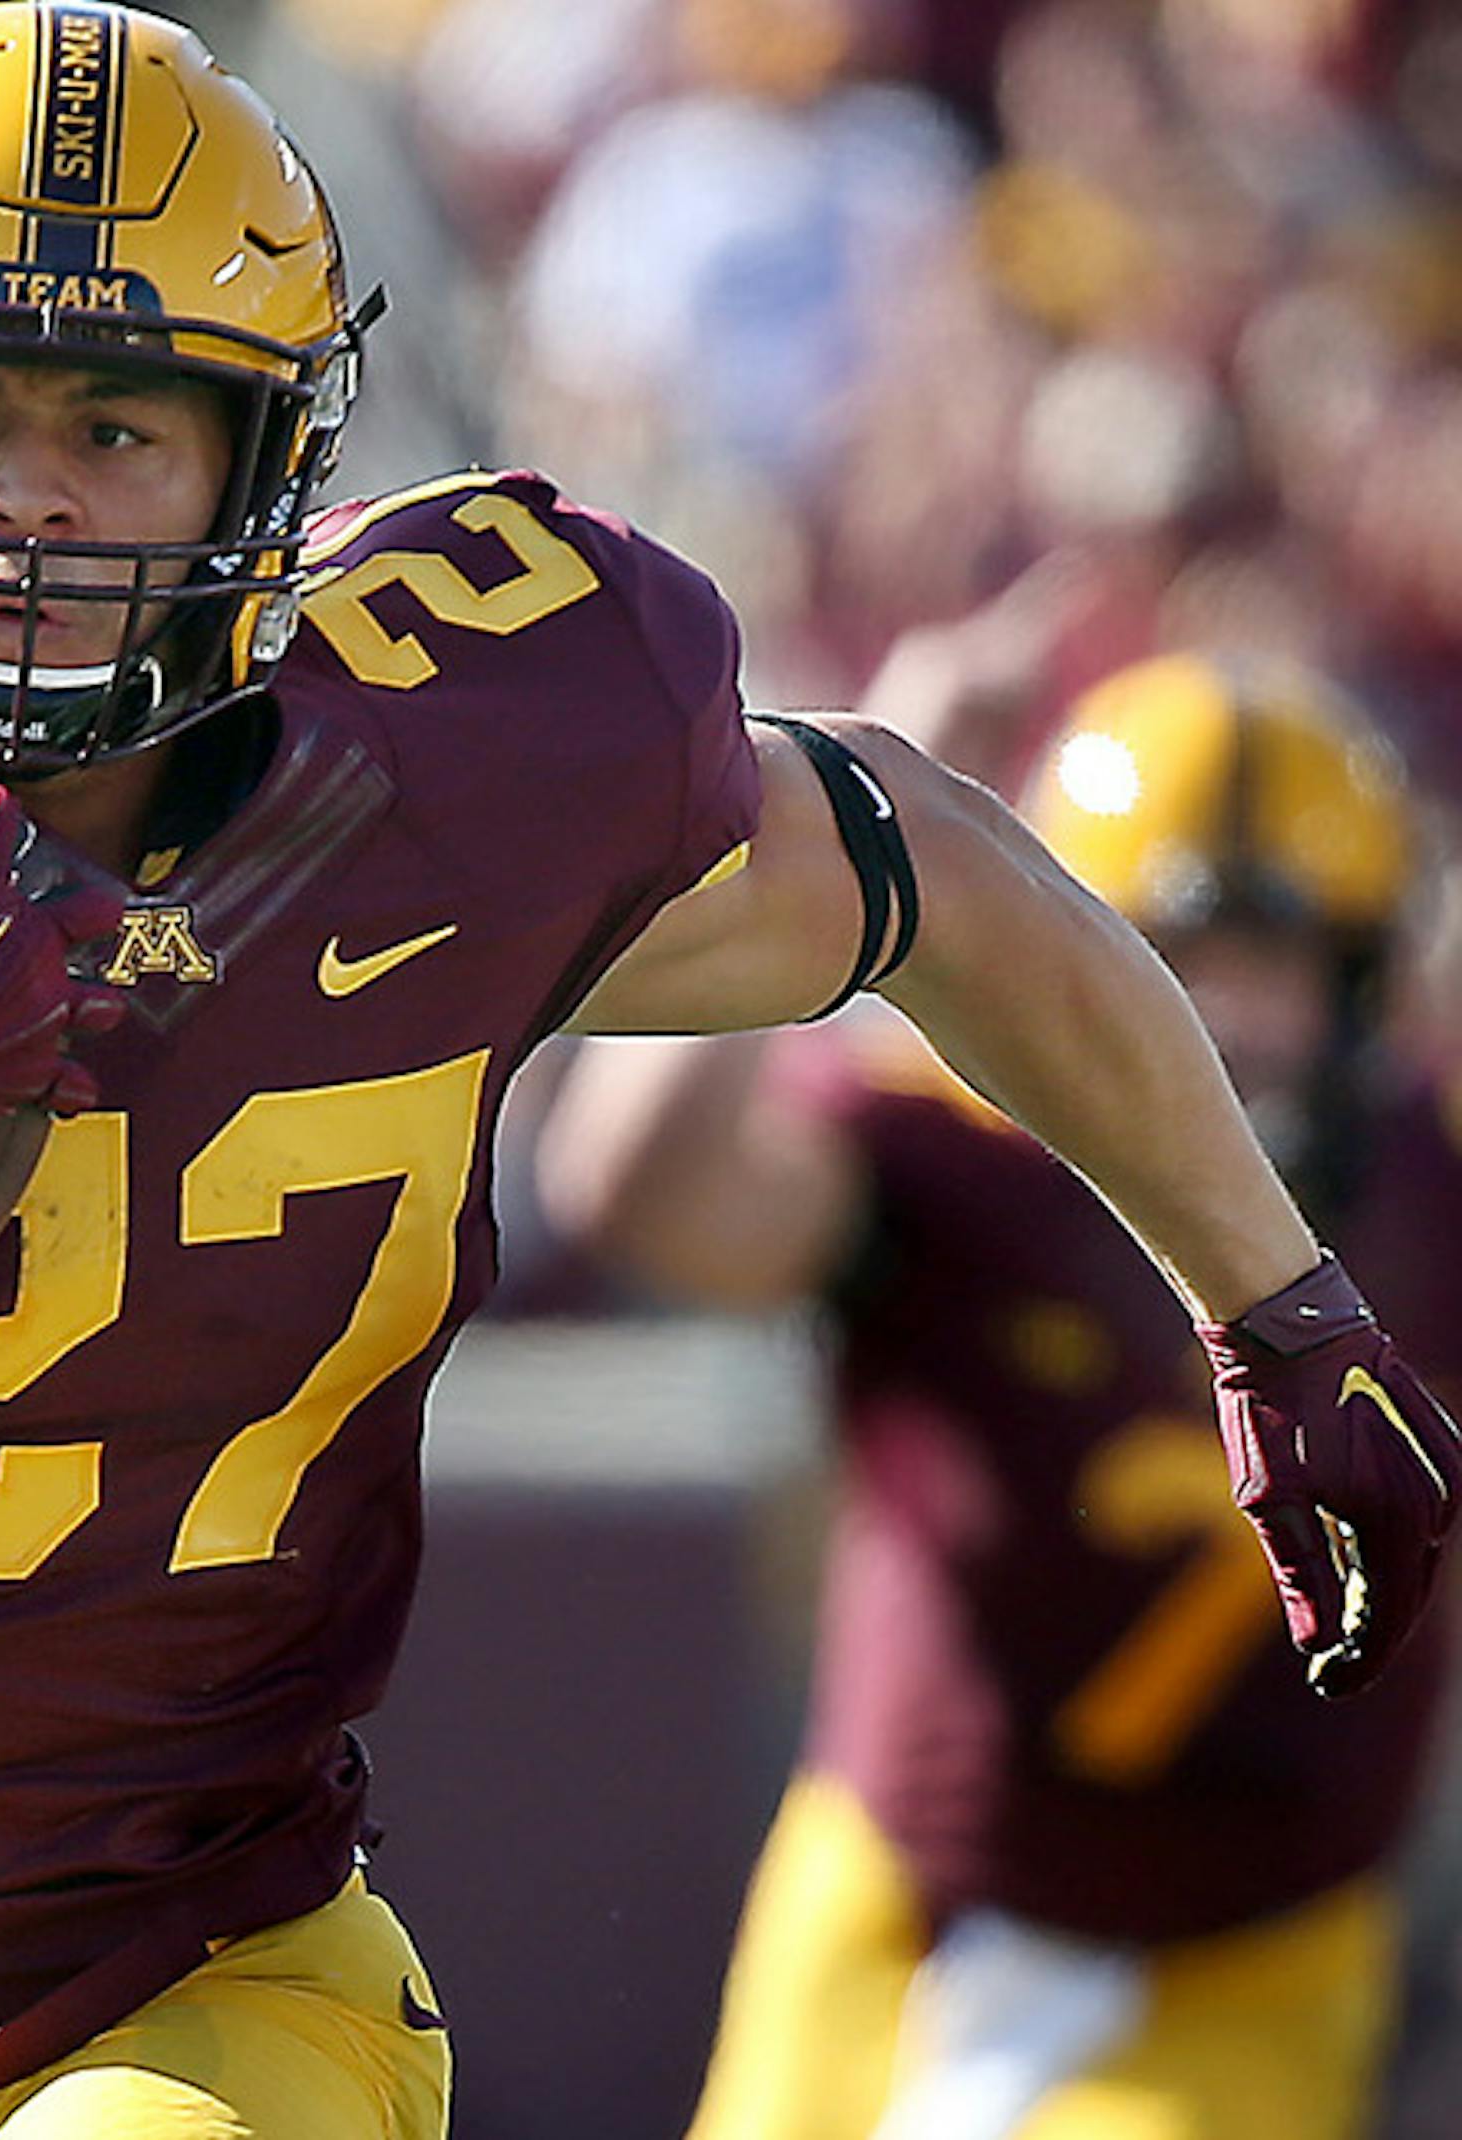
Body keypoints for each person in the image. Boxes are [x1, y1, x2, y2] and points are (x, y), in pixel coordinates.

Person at [0, 9, 1454, 2136]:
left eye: (118, 431)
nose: (23, 502)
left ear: (269, 461)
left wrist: (1275, 1296)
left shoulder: (455, 743)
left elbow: (929, 873)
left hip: (197, 1986)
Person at [537, 654, 1462, 2140]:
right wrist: (819, 846)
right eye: (1168, 960)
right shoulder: (948, 1161)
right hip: (906, 1884)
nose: (1219, 1024)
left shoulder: (1436, 1182)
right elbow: (636, 1190)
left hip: (1255, 1937)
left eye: (1275, 966)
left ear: (1370, 985)